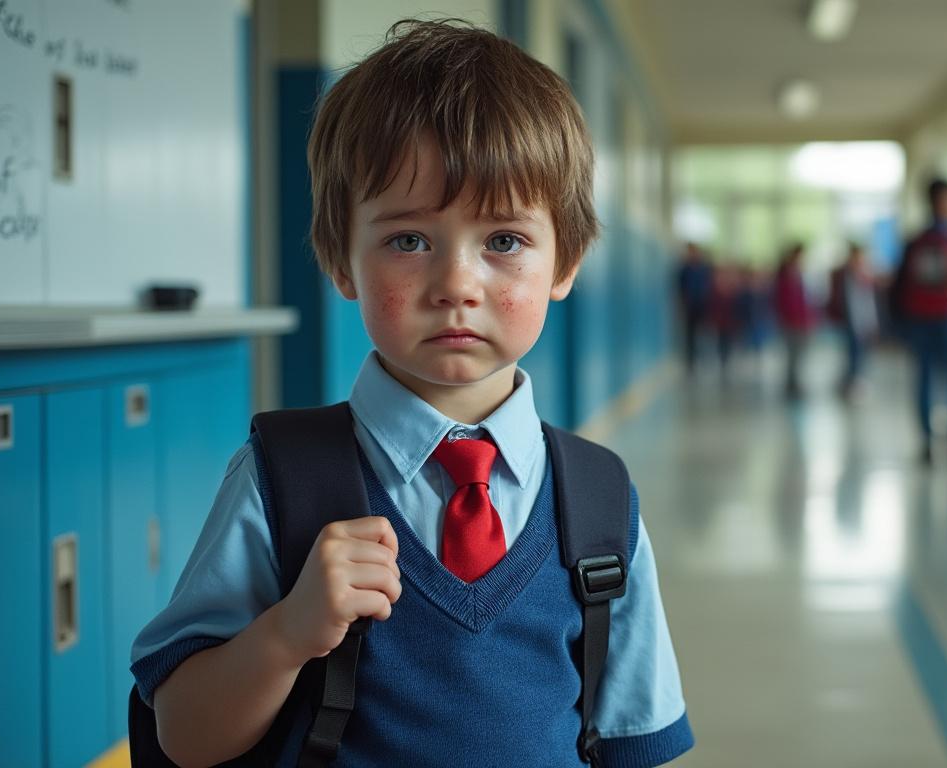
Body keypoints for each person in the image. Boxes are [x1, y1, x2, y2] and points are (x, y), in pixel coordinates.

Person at [129, 20, 693, 767]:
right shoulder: (283, 478)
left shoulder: (598, 500)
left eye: (504, 242)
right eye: (408, 241)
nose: (457, 285)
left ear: (567, 262)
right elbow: (186, 736)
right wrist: (289, 631)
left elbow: (631, 742)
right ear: (340, 260)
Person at [891, 179, 947, 464]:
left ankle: (927, 440)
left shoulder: (914, 241)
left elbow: (898, 286)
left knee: (925, 379)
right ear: (944, 201)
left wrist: (900, 325)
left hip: (920, 321)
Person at [827, 242, 881, 398]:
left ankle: (853, 381)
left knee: (860, 354)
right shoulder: (846, 276)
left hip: (864, 322)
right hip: (853, 323)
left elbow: (868, 302)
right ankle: (852, 383)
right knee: (854, 354)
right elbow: (852, 303)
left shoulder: (864, 275)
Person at [774, 243, 816, 399]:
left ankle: (795, 382)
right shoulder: (786, 276)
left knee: (799, 354)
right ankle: (792, 384)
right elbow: (785, 302)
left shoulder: (799, 275)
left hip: (802, 321)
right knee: (793, 354)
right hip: (792, 322)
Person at [675, 242, 714, 375]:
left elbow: (709, 286)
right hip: (689, 306)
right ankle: (691, 361)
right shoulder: (685, 269)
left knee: (703, 333)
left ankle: (702, 358)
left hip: (703, 305)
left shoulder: (704, 269)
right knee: (690, 334)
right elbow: (679, 288)